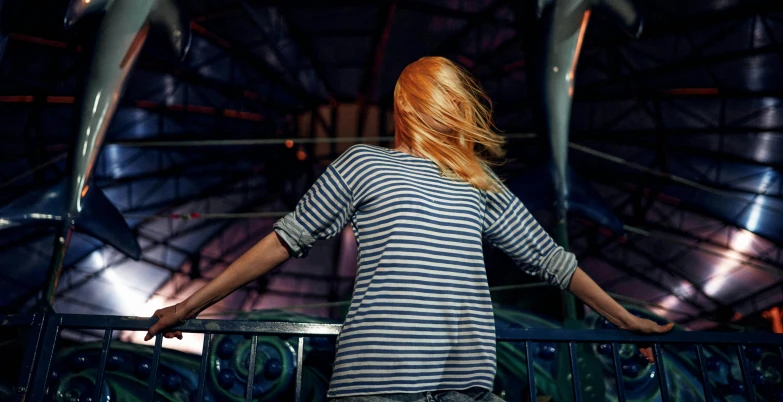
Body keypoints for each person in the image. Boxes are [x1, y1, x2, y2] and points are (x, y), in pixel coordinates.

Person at [146, 56, 672, 401]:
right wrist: (190, 307)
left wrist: (623, 318)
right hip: (380, 386)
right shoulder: (375, 167)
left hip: (444, 387)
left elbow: (549, 258)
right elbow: (285, 239)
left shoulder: (473, 180)